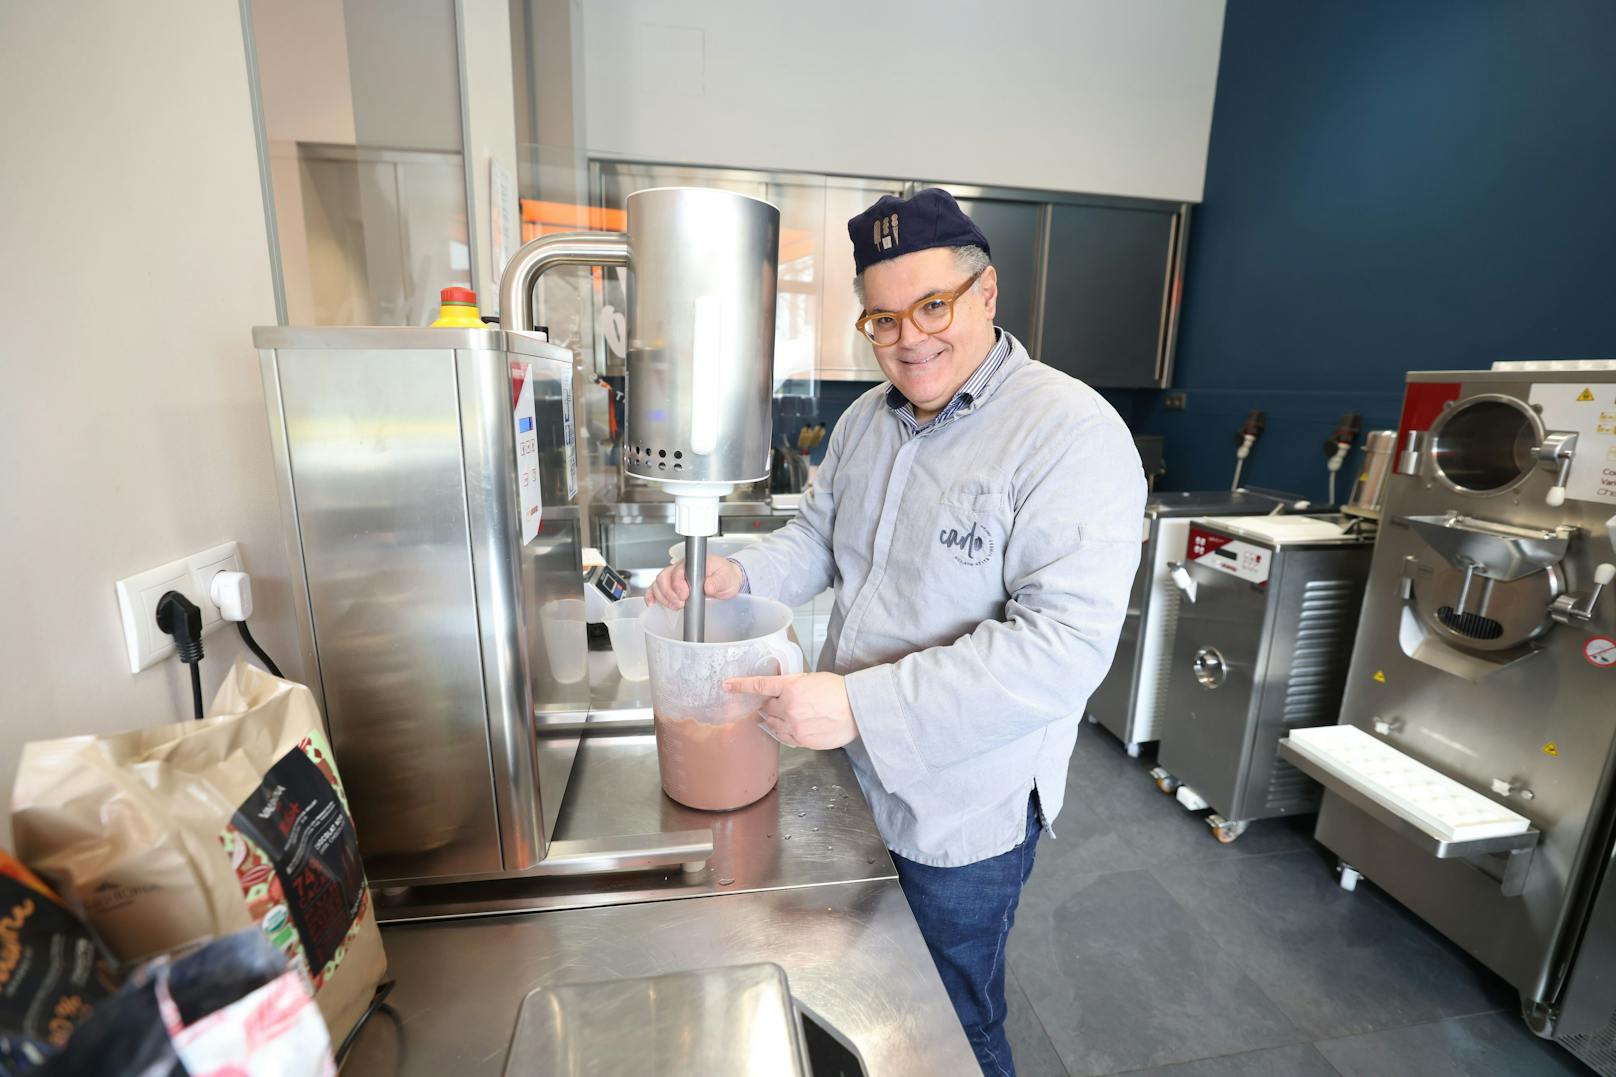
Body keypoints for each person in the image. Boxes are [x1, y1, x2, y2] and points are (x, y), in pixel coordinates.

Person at [648, 188, 1145, 1077]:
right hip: (852, 777)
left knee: (952, 1022)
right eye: (882, 319)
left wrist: (859, 705)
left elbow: (1060, 650)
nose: (909, 338)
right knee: (869, 1001)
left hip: (964, 805)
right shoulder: (865, 420)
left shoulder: (1068, 432)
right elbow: (816, 538)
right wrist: (741, 571)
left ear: (986, 293)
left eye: (932, 306)